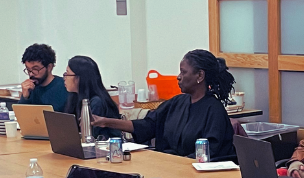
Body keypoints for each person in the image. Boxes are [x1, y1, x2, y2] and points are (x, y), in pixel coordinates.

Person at [91, 50, 236, 160]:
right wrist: (105, 122)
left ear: (200, 76)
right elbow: (148, 125)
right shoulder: (177, 102)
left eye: (183, 72)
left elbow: (210, 153)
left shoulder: (214, 110)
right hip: (171, 166)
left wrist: (175, 164)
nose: (178, 77)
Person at [59, 55, 121, 139]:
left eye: (67, 74)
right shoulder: (74, 97)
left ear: (79, 78)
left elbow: (91, 136)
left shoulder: (97, 102)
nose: (64, 78)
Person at [18, 43, 68, 111]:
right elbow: (21, 116)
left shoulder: (64, 87)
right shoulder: (30, 88)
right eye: (28, 69)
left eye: (35, 69)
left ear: (49, 67)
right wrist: (25, 97)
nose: (31, 74)